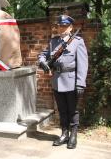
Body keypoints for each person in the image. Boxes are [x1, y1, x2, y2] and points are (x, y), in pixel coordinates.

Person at [38, 14, 88, 149]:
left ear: (71, 27)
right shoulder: (53, 41)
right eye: (60, 26)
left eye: (65, 26)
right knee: (62, 110)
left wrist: (80, 83)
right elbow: (43, 54)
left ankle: (73, 135)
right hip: (57, 81)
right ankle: (64, 133)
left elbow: (83, 64)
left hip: (72, 81)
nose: (61, 28)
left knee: (73, 110)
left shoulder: (78, 42)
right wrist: (42, 62)